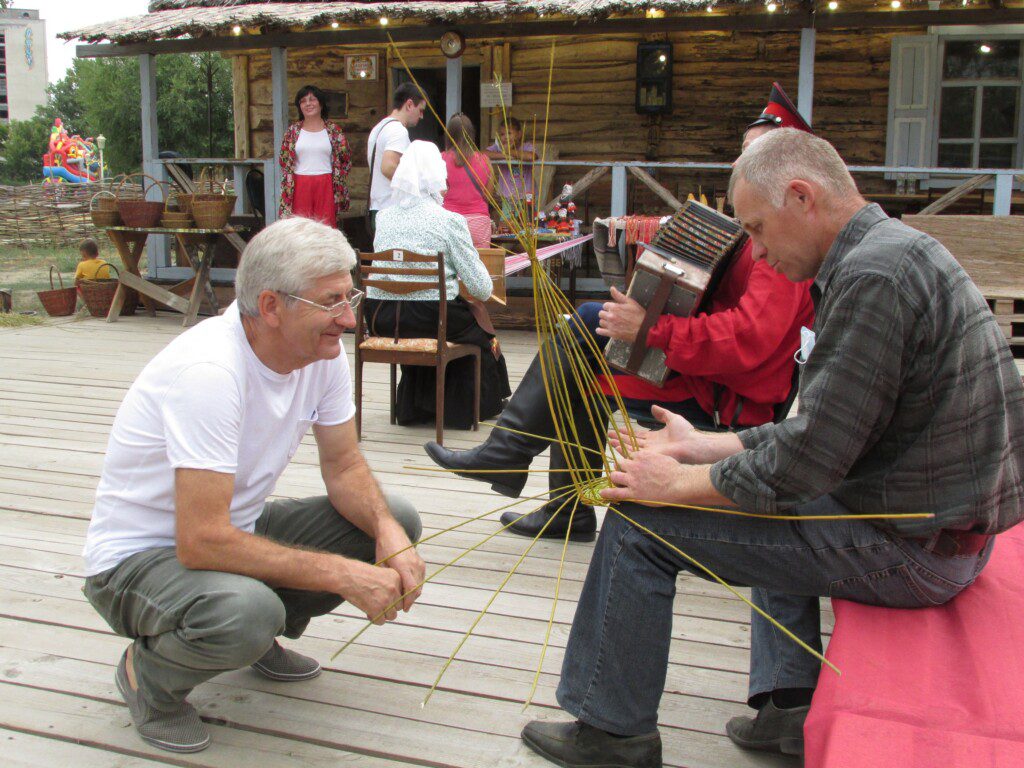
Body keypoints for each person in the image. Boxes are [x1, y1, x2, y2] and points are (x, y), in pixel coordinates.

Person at [515, 128, 1024, 768]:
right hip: (934, 527)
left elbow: (805, 461)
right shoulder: (893, 252)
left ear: (803, 198)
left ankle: (613, 734)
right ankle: (786, 709)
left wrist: (674, 484)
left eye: (756, 229)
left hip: (915, 550)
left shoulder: (873, 279)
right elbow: (822, 431)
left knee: (643, 525)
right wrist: (704, 444)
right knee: (760, 493)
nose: (756, 252)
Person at [81, 217, 425, 754]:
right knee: (248, 613)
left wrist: (386, 531)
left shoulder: (319, 352)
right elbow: (201, 541)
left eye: (349, 296)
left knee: (395, 518)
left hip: (227, 529)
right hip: (137, 560)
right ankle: (148, 679)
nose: (350, 319)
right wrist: (344, 575)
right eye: (332, 301)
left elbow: (345, 467)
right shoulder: (209, 372)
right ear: (271, 307)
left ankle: (253, 637)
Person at [424, 85, 815, 543]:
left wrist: (651, 327)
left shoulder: (786, 248)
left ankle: (528, 471)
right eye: (740, 152)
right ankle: (543, 488)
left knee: (584, 337)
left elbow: (747, 342)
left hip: (728, 399)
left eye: (750, 154)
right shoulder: (767, 234)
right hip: (706, 377)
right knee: (581, 355)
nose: (735, 165)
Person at [364, 140, 511, 429]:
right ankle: (467, 408)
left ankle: (417, 406)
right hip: (433, 318)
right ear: (436, 176)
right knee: (477, 328)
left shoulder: (384, 218)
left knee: (448, 315)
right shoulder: (449, 221)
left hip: (382, 316)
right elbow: (481, 288)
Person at [278, 84, 352, 227]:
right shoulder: (292, 132)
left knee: (326, 228)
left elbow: (345, 159)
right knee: (299, 229)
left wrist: (337, 181)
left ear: (321, 103)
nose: (308, 104)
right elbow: (284, 159)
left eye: (312, 100)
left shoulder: (334, 131)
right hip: (300, 184)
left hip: (326, 184)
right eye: (303, 101)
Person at [366, 82, 427, 236]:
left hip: (378, 207)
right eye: (420, 110)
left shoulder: (379, 127)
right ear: (409, 104)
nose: (422, 116)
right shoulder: (398, 131)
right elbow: (387, 167)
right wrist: (416, 186)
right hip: (390, 209)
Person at [442, 113, 495, 248]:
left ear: (449, 134)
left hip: (450, 221)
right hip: (478, 222)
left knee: (450, 266)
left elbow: (438, 193)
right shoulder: (485, 161)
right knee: (480, 266)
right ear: (471, 134)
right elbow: (488, 196)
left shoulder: (441, 159)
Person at [484, 117, 537, 220]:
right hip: (508, 197)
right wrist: (504, 155)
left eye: (509, 133)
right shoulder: (498, 148)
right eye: (502, 134)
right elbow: (483, 153)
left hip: (526, 197)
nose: (505, 137)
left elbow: (531, 156)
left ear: (519, 134)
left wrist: (508, 151)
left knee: (527, 223)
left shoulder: (526, 146)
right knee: (507, 225)